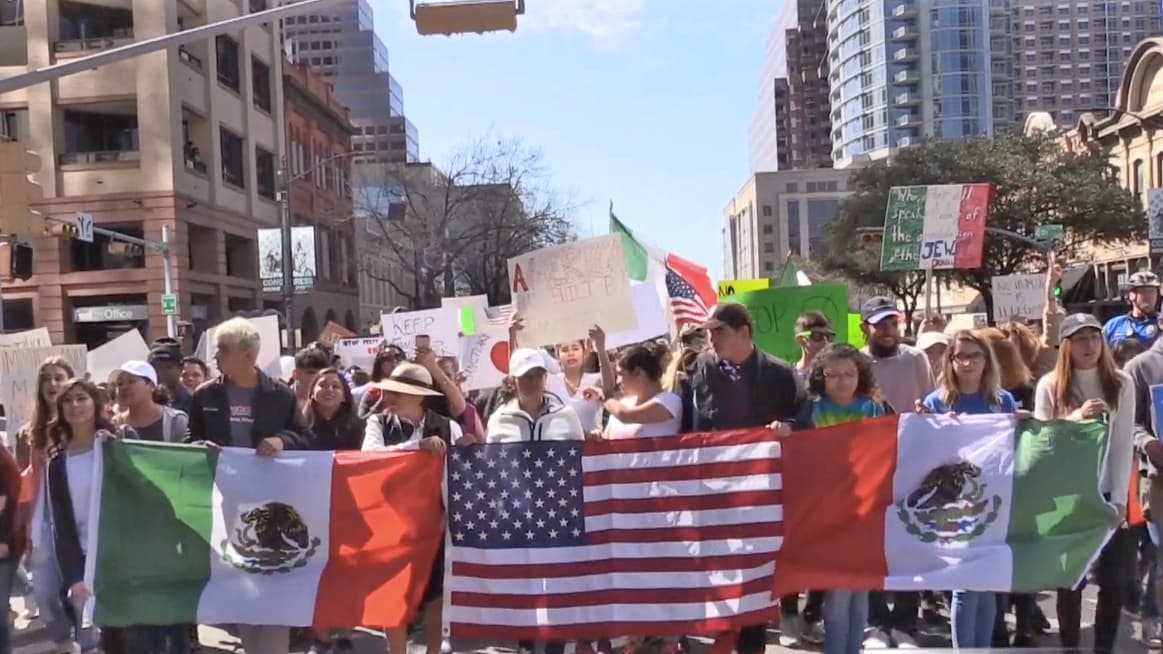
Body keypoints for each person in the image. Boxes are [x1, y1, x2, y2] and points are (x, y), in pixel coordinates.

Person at [687, 303, 806, 654]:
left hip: (763, 496)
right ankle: (728, 634)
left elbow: (805, 418)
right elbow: (693, 426)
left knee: (757, 574)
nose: (710, 339)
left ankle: (753, 642)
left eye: (719, 331)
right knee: (723, 572)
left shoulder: (780, 374)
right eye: (708, 332)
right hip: (717, 492)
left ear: (745, 332)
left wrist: (790, 428)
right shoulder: (703, 370)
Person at [186, 317, 305, 654]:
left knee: (274, 586)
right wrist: (201, 450)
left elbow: (303, 437)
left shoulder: (280, 395)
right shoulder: (204, 395)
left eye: (223, 350)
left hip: (273, 506)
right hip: (225, 506)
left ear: (249, 355)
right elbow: (190, 440)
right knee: (239, 586)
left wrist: (282, 440)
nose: (216, 358)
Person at [1034, 313, 1136, 653]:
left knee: (1114, 582)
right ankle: (1070, 647)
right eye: (1080, 339)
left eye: (1094, 337)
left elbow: (1122, 445)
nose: (1089, 345)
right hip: (1067, 495)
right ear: (1066, 346)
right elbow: (1042, 442)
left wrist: (1120, 499)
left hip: (1107, 492)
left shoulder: (1121, 383)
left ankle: (1103, 647)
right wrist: (1075, 419)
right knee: (1070, 580)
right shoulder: (1050, 385)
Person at [920, 330, 1017, 650]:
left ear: (987, 361)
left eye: (976, 355)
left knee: (986, 583)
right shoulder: (937, 402)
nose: (969, 362)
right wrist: (925, 424)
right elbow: (924, 454)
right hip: (954, 503)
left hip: (992, 500)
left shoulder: (1001, 400)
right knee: (963, 584)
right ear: (950, 361)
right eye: (961, 356)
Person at [362, 362, 462, 654]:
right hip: (390, 522)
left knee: (434, 596)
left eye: (400, 393)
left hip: (435, 523)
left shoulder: (448, 426)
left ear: (419, 397)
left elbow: (458, 471)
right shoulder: (377, 423)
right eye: (391, 391)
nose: (391, 398)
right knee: (393, 595)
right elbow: (370, 457)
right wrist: (416, 447)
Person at [858, 296, 933, 648]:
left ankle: (905, 622)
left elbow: (932, 403)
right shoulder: (856, 364)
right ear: (865, 328)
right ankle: (875, 622)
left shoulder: (917, 358)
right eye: (880, 325)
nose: (888, 331)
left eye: (893, 323)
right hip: (870, 466)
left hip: (913, 462)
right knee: (872, 545)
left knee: (909, 542)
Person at [44, 379, 140, 654]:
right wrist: (73, 576)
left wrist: (120, 453)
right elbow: (60, 524)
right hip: (86, 560)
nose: (75, 405)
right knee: (99, 638)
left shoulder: (119, 441)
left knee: (130, 635)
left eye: (81, 398)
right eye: (68, 400)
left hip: (121, 556)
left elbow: (142, 489)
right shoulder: (58, 462)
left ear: (95, 403)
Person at [804, 344, 886, 654]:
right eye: (833, 374)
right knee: (838, 594)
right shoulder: (812, 410)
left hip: (865, 511)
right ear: (820, 376)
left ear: (861, 375)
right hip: (830, 515)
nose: (842, 381)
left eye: (850, 374)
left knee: (860, 595)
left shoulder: (873, 408)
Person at [13, 358, 88, 654]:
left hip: (79, 517)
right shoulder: (27, 434)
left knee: (82, 593)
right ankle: (61, 639)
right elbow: (24, 486)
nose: (53, 384)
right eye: (47, 379)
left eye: (59, 377)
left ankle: (88, 644)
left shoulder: (85, 427)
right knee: (44, 592)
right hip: (43, 522)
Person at [486, 349, 587, 443]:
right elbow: (492, 460)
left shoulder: (567, 415)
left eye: (538, 374)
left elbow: (578, 457)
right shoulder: (498, 420)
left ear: (545, 377)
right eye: (525, 375)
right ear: (513, 381)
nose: (533, 380)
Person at [587, 343, 682, 439]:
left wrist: (604, 396)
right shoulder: (623, 403)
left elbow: (625, 416)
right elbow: (607, 438)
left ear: (638, 373)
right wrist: (596, 436)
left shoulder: (669, 401)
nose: (618, 381)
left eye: (621, 374)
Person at [113, 361, 188, 442]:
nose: (124, 387)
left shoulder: (175, 421)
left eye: (131, 381)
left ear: (151, 385)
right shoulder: (114, 425)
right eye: (120, 383)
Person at [302, 368, 364, 452]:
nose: (329, 389)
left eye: (335, 386)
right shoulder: (299, 426)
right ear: (312, 393)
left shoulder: (358, 427)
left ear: (344, 397)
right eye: (323, 385)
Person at [1104, 270, 1162, 349]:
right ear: (1131, 295)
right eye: (1144, 291)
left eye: (1152, 291)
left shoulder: (1160, 323)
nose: (1149, 296)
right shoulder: (1113, 325)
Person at [355, 345, 406, 417]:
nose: (394, 361)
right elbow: (361, 422)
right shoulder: (372, 394)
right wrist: (381, 401)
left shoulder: (413, 391)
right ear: (380, 364)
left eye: (398, 357)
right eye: (388, 358)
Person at [148, 337, 192, 414]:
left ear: (181, 368)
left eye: (168, 367)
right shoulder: (143, 402)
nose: (161, 372)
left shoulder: (194, 402)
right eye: (156, 367)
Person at [792, 311, 836, 383]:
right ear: (800, 339)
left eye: (829, 336)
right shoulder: (790, 375)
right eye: (817, 336)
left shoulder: (835, 375)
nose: (825, 342)